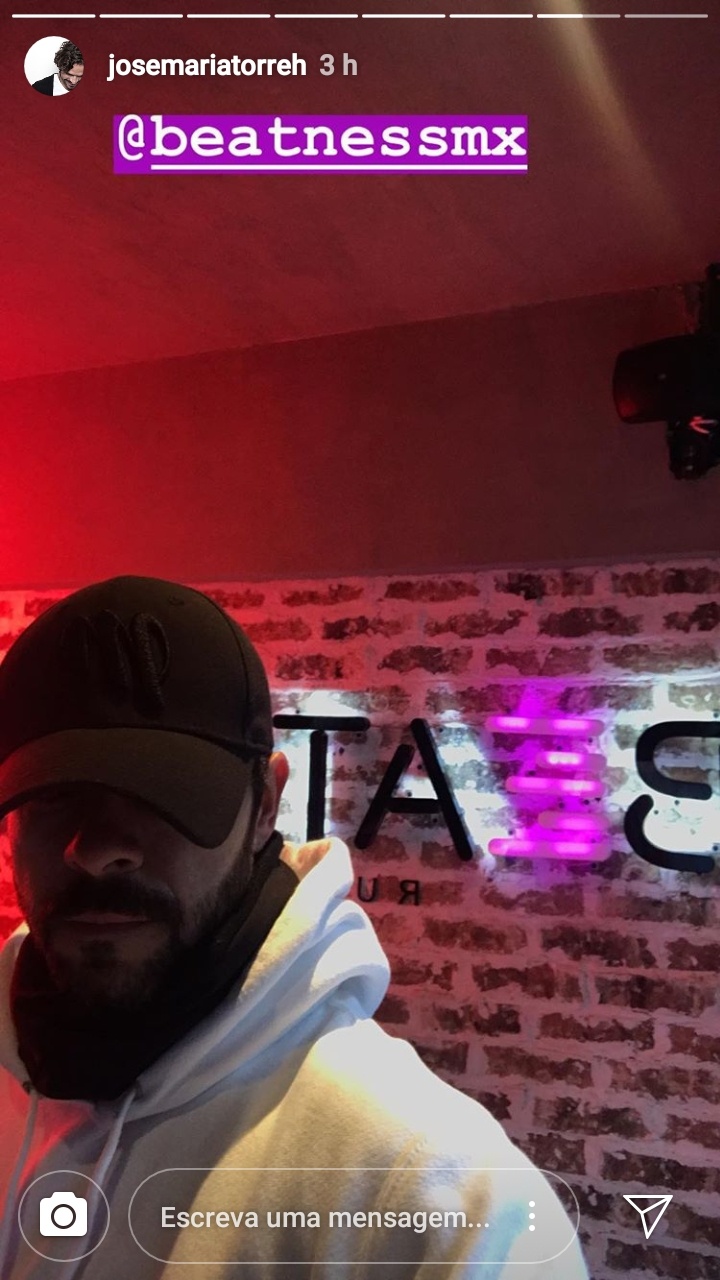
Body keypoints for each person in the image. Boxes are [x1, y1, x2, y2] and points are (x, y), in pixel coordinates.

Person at [0, 576, 589, 1279]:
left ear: (264, 806)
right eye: (53, 796)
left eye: (160, 795)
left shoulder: (443, 1203)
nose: (97, 848)